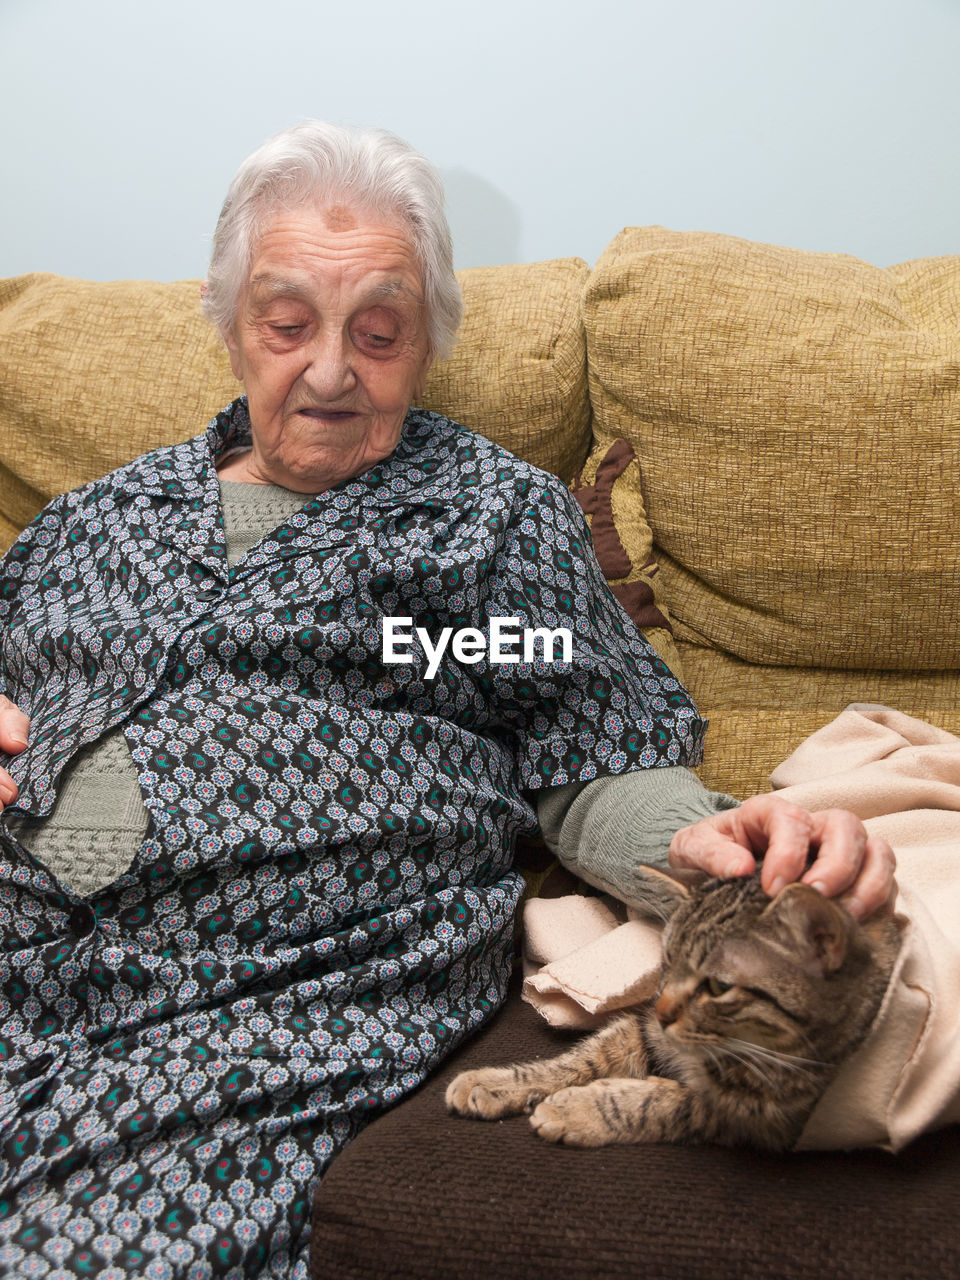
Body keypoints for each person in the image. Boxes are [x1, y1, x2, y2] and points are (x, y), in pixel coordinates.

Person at [0, 122, 894, 1278]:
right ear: (230, 331)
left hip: (256, 1008)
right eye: (287, 325)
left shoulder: (489, 521)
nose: (329, 371)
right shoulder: (86, 521)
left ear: (426, 346)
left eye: (379, 332)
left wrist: (703, 837)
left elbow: (594, 749)